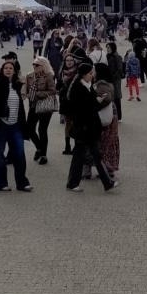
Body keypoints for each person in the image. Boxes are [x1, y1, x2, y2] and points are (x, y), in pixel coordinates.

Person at [65, 62, 115, 192]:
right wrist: (96, 102)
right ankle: (73, 183)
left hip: (90, 127)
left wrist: (97, 101)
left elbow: (91, 106)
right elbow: (81, 109)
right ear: (83, 74)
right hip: (83, 128)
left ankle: (107, 182)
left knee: (94, 155)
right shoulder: (78, 87)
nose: (92, 75)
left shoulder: (87, 86)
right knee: (81, 156)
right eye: (90, 73)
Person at [0, 59, 33, 192]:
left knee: (19, 155)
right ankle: (0, 183)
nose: (8, 70)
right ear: (2, 71)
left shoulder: (17, 86)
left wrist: (23, 126)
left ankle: (22, 183)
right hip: (0, 126)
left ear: (14, 71)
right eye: (6, 68)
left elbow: (20, 108)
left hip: (15, 125)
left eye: (11, 68)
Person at [24, 56, 59, 165]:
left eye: (37, 65)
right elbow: (25, 89)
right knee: (29, 129)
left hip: (44, 106)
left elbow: (53, 91)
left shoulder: (48, 76)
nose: (34, 66)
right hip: (33, 106)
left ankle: (43, 155)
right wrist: (25, 94)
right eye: (33, 64)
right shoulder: (29, 76)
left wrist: (38, 94)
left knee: (42, 130)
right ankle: (39, 147)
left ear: (43, 66)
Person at [94, 62, 121, 180]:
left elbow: (107, 99)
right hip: (112, 114)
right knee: (111, 141)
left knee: (105, 142)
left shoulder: (102, 84)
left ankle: (107, 168)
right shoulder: (109, 83)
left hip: (107, 115)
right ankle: (109, 168)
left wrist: (95, 105)